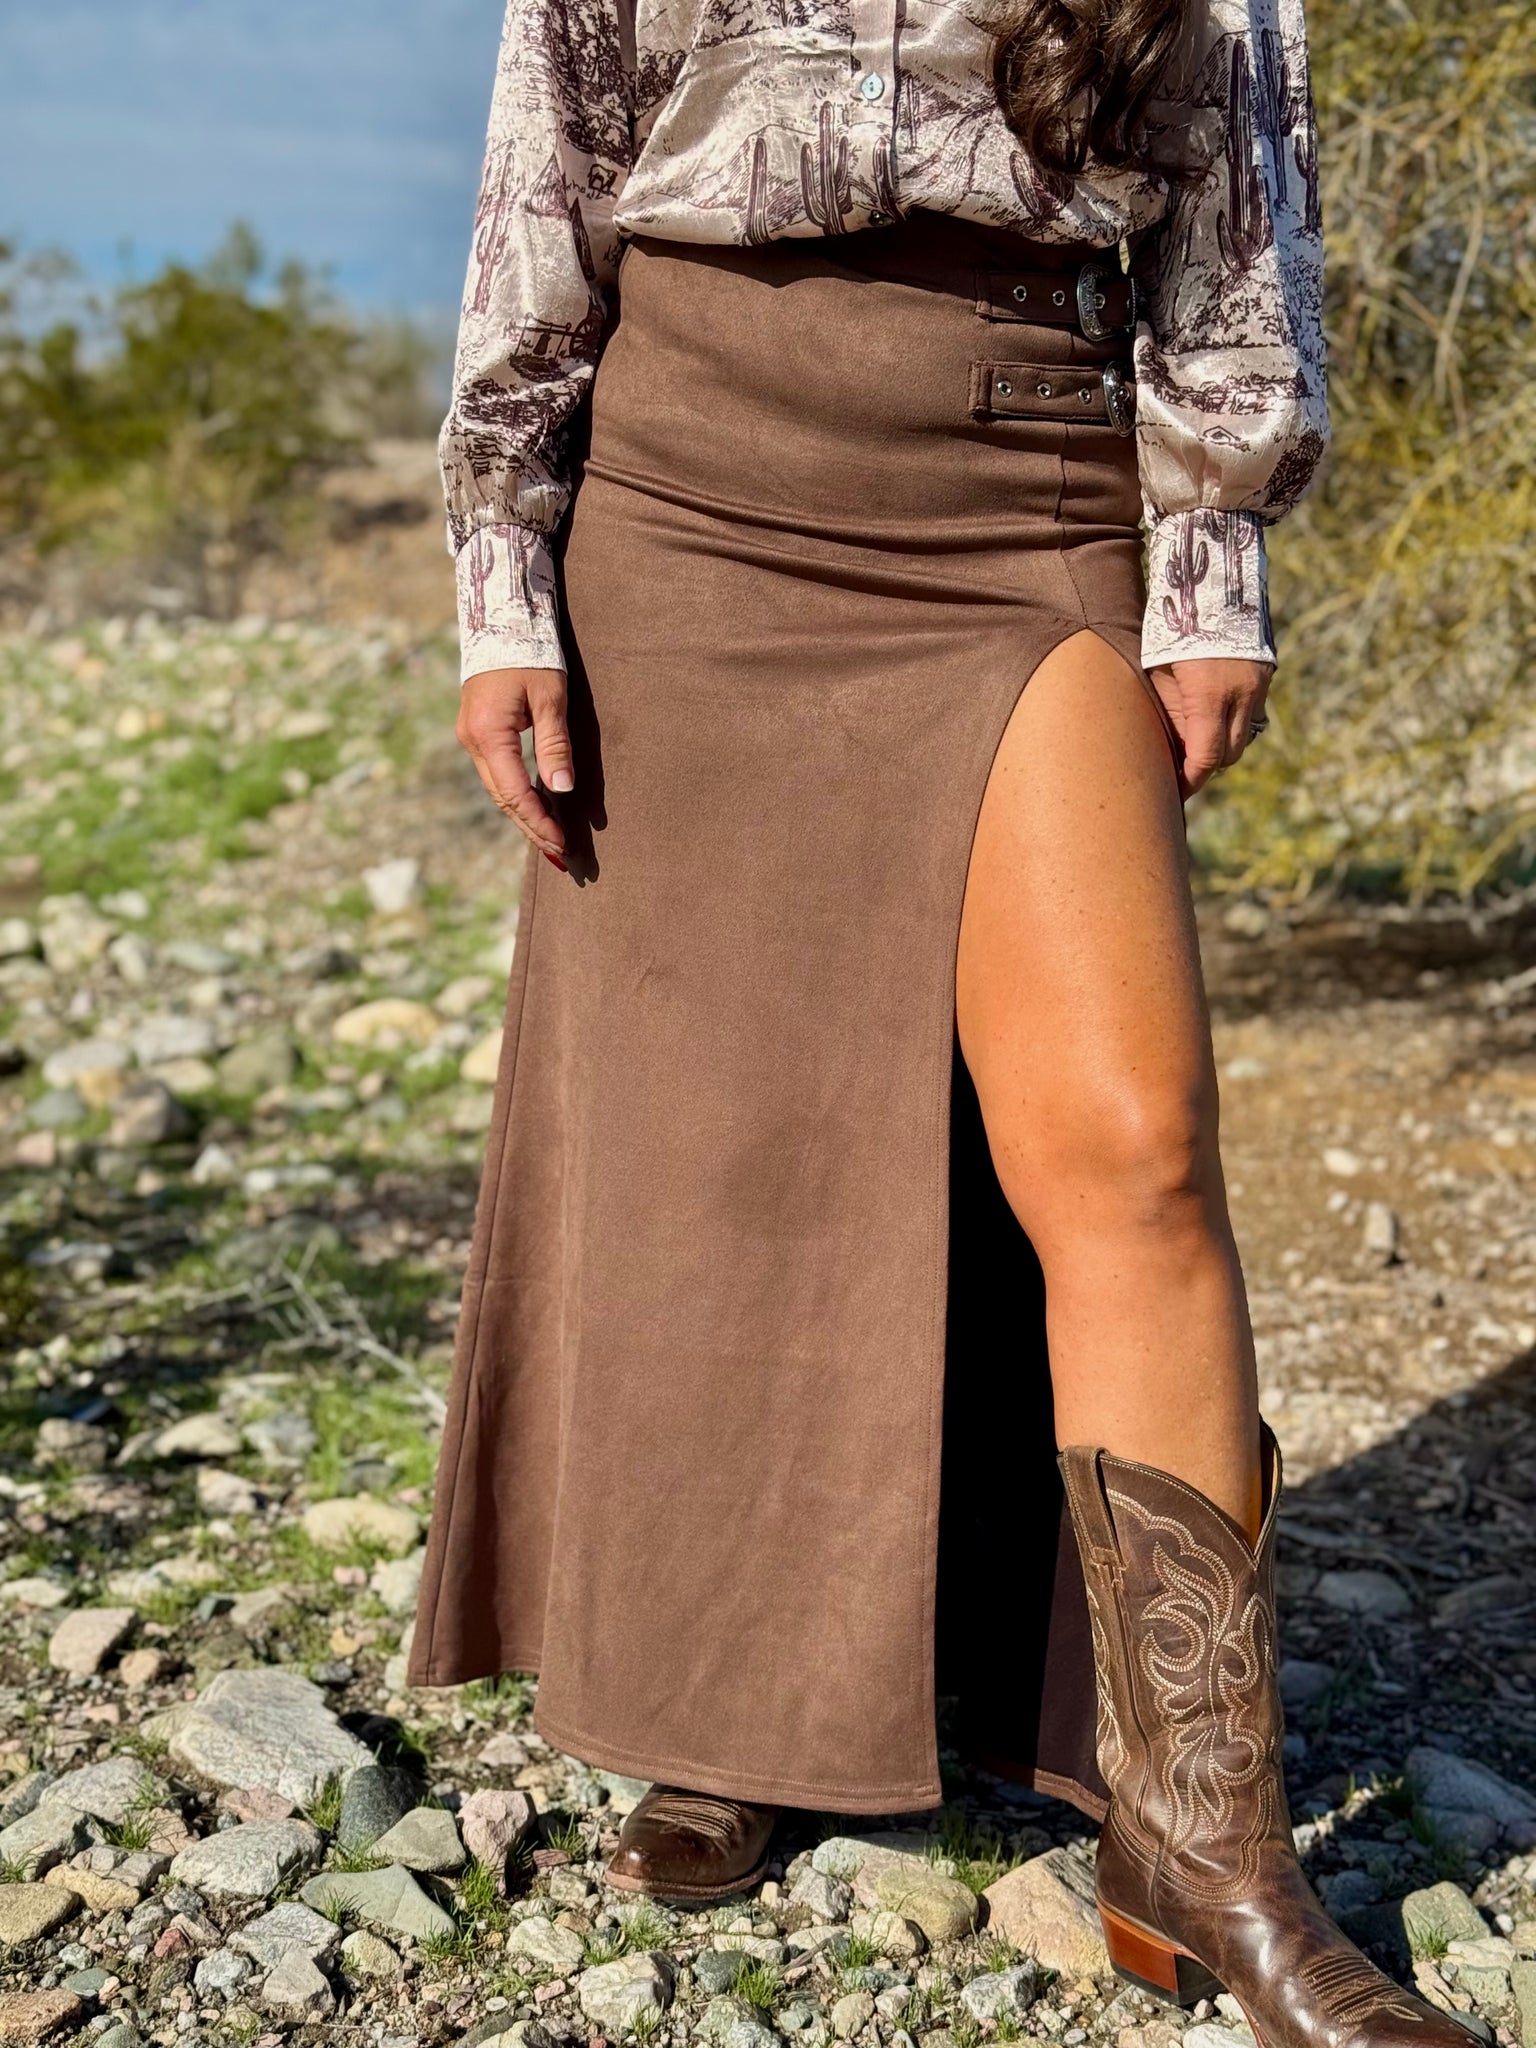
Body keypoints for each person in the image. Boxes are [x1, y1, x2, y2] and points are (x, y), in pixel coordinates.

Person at [408, 3, 1470, 2041]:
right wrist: (502, 560)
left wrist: (1212, 550)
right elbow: (554, 133)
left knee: (1133, 1144)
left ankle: (1207, 1844)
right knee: (732, 1143)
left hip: (1022, 482)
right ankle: (738, 1707)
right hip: (690, 487)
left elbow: (1235, 158)